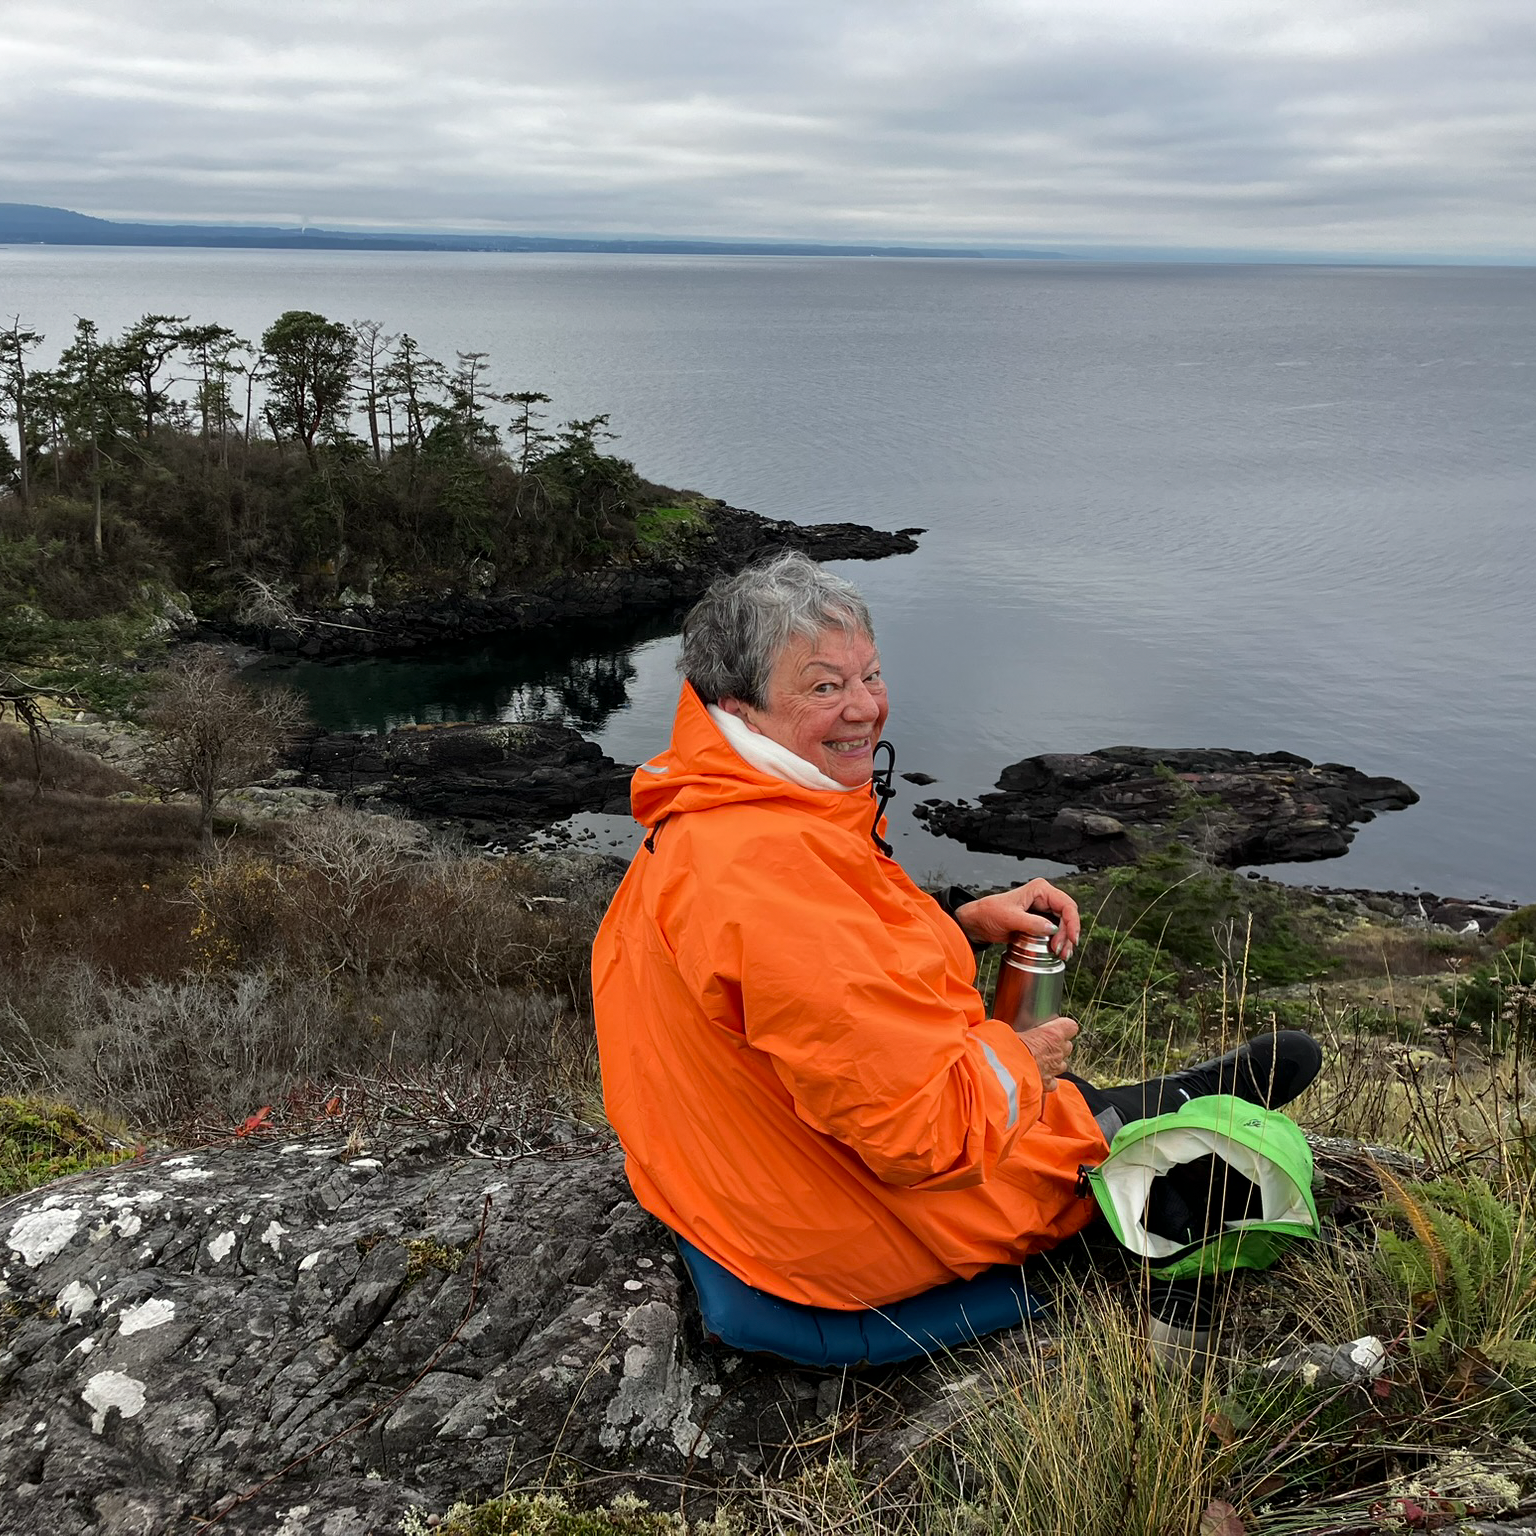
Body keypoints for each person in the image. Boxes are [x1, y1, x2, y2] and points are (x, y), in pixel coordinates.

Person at [592, 552, 1320, 1311]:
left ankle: (1127, 1108)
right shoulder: (768, 869)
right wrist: (1021, 1059)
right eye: (823, 687)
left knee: (1052, 1094)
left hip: (737, 1169)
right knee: (1062, 1116)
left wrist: (962, 924)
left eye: (869, 676)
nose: (864, 708)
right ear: (740, 710)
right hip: (837, 1229)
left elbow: (809, 975)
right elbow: (926, 1137)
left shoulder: (716, 810)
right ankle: (1136, 1133)